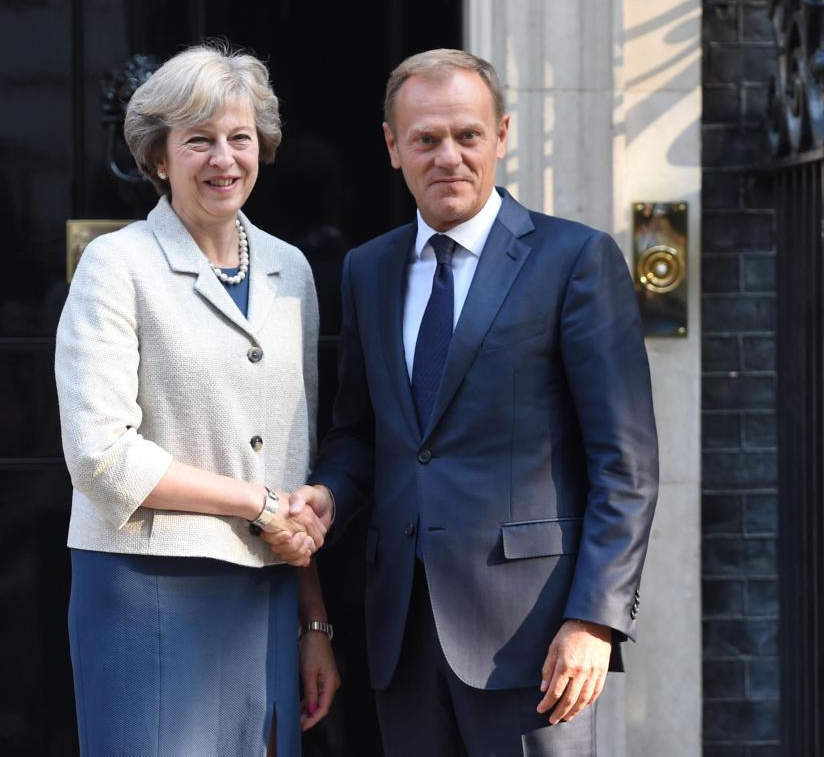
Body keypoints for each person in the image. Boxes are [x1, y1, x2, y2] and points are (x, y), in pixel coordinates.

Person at [277, 49, 659, 755]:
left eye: (467, 135)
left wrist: (595, 621)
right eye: (425, 138)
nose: (447, 156)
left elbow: (625, 463)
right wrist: (330, 493)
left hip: (538, 642)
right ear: (393, 147)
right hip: (401, 635)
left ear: (502, 135)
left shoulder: (574, 260)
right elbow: (359, 432)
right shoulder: (368, 269)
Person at [55, 43, 339, 757]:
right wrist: (259, 505)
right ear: (159, 157)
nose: (224, 159)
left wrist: (314, 621)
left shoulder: (291, 270)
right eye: (199, 140)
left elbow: (292, 456)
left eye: (239, 138)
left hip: (267, 597)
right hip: (145, 589)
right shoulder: (115, 265)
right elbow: (101, 456)